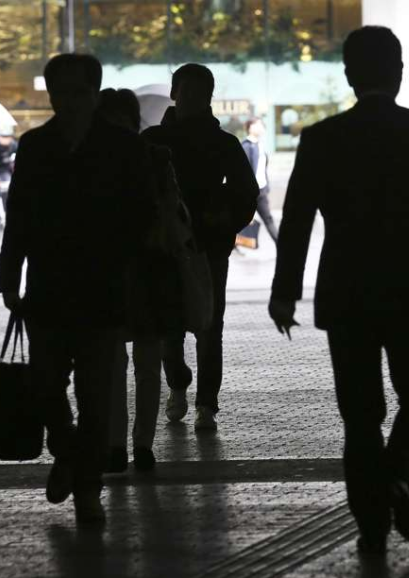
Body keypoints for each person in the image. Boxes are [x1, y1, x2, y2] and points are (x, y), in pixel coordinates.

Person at [270, 26, 409, 556]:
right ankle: (398, 477)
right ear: (398, 72)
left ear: (349, 74)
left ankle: (371, 525)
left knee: (360, 414)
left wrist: (285, 292)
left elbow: (297, 219)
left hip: (346, 290)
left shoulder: (322, 137)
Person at [0, 54, 155, 523]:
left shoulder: (124, 147)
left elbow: (143, 213)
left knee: (95, 395)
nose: (69, 101)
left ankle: (88, 489)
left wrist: (122, 259)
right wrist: (9, 277)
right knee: (46, 386)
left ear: (94, 93)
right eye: (60, 92)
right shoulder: (35, 145)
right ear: (51, 95)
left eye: (79, 91)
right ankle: (66, 449)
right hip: (47, 286)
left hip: (102, 287)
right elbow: (18, 214)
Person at [142, 63, 258, 432]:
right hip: (190, 247)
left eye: (199, 92)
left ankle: (199, 398)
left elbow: (246, 193)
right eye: (188, 91)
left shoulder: (157, 140)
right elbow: (245, 193)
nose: (193, 98)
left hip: (197, 246)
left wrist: (221, 223)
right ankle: (189, 391)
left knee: (193, 324)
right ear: (175, 93)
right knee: (189, 325)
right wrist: (223, 222)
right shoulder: (213, 143)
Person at [98, 87, 190, 473]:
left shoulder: (103, 162)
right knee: (137, 362)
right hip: (145, 269)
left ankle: (126, 444)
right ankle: (134, 444)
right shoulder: (153, 158)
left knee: (125, 362)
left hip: (129, 270)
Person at [237, 117, 279, 248]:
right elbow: (243, 172)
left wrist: (266, 187)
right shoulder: (246, 146)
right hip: (249, 192)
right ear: (250, 127)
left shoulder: (260, 145)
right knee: (240, 220)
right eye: (258, 124)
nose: (262, 127)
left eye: (262, 125)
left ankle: (281, 246)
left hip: (261, 190)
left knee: (268, 219)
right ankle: (233, 245)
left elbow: (262, 169)